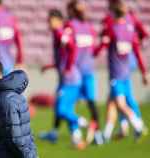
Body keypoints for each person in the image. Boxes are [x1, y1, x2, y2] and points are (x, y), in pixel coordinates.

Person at [94, 0, 149, 142]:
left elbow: (103, 46)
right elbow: (137, 52)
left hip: (116, 74)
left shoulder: (112, 28)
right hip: (126, 73)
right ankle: (106, 135)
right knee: (111, 102)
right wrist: (144, 72)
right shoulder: (130, 29)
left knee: (121, 104)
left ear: (112, 12)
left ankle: (138, 125)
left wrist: (92, 52)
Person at [38, 9, 86, 150]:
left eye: (50, 19)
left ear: (58, 20)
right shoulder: (57, 33)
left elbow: (73, 48)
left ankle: (84, 122)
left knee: (61, 110)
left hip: (70, 80)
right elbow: (63, 57)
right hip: (67, 80)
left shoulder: (60, 32)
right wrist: (50, 66)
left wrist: (68, 68)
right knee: (66, 109)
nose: (48, 22)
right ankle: (76, 139)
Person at [66, 0, 103, 145]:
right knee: (72, 104)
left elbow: (93, 51)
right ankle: (76, 134)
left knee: (90, 103)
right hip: (76, 74)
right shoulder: (71, 26)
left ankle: (96, 133)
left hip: (85, 72)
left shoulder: (87, 27)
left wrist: (102, 45)